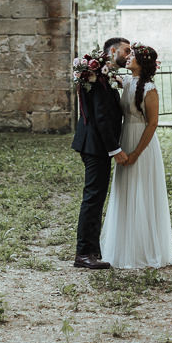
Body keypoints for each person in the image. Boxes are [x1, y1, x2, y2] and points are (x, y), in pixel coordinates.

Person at [100, 43, 172, 269]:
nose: (129, 57)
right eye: (129, 53)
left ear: (142, 63)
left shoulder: (150, 89)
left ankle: (144, 250)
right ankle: (123, 246)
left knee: (142, 191)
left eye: (133, 55)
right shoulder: (128, 81)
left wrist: (135, 153)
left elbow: (152, 124)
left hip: (143, 143)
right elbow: (124, 89)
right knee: (125, 191)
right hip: (126, 137)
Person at [71, 37, 131, 269]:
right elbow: (101, 117)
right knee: (93, 198)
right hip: (95, 145)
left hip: (96, 145)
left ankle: (92, 250)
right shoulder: (96, 78)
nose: (129, 55)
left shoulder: (104, 76)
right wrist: (114, 149)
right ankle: (84, 253)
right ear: (113, 50)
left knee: (96, 197)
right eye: (126, 51)